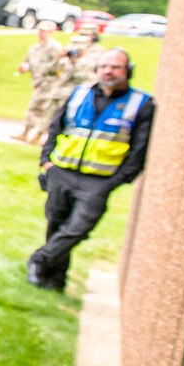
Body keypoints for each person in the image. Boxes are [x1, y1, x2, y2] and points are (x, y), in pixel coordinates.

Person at [28, 48, 154, 291]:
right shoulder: (79, 94)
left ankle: (40, 259)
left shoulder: (141, 104)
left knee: (78, 228)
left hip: (98, 181)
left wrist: (115, 181)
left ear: (127, 71)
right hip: (61, 172)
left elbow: (140, 150)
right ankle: (53, 280)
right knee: (57, 224)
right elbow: (56, 128)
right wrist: (47, 163)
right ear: (96, 70)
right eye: (104, 66)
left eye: (116, 66)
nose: (109, 71)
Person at [15, 21, 72, 144]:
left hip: (49, 82)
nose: (41, 33)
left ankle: (40, 134)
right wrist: (24, 67)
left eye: (44, 31)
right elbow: (29, 62)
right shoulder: (34, 48)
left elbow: (57, 66)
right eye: (40, 30)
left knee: (44, 109)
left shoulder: (54, 47)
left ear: (51, 32)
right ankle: (26, 132)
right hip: (37, 82)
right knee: (34, 107)